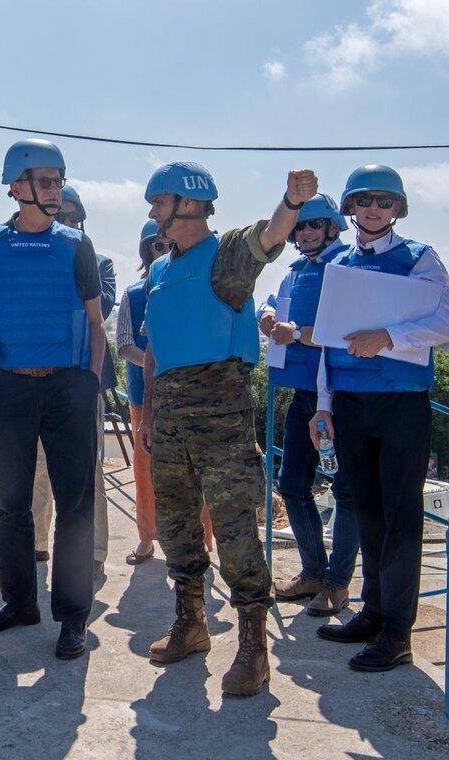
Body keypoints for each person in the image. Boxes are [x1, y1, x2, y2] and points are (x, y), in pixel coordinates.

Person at [140, 161, 318, 696]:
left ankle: (252, 649)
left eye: (159, 202)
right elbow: (154, 350)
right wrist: (149, 413)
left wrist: (291, 202)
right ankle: (190, 624)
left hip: (221, 417)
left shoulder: (226, 255)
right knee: (176, 526)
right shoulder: (159, 269)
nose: (152, 212)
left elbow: (271, 236)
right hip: (169, 417)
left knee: (236, 529)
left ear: (188, 204)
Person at [311, 164, 449, 672]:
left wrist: (389, 337)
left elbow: (446, 323)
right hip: (350, 403)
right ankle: (372, 614)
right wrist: (324, 404)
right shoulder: (339, 261)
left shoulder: (419, 257)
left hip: (400, 404)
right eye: (364, 200)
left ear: (398, 208)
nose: (374, 209)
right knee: (367, 513)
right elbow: (327, 340)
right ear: (350, 207)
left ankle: (397, 633)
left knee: (400, 520)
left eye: (385, 201)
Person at [0, 139, 107, 660]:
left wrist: (88, 384)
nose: (54, 189)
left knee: (75, 505)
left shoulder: (76, 245)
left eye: (58, 180)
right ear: (15, 187)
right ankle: (19, 603)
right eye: (44, 180)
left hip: (68, 388)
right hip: (8, 389)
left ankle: (73, 617)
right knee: (12, 505)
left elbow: (95, 323)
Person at [258, 194, 358, 615]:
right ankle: (314, 573)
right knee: (292, 485)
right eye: (300, 226)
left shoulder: (348, 266)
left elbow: (346, 331)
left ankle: (337, 583)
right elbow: (271, 301)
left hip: (338, 397)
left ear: (332, 227)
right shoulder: (296, 271)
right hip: (304, 394)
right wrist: (266, 315)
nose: (306, 232)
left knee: (346, 490)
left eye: (314, 224)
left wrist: (296, 333)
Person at [21, 183, 114, 575]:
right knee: (37, 466)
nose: (69, 222)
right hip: (36, 375)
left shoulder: (100, 263)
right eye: (62, 216)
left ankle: (93, 551)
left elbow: (101, 306)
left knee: (87, 469)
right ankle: (36, 544)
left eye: (75, 217)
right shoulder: (27, 259)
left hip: (82, 378)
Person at [117, 221, 214, 565]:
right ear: (147, 251)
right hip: (144, 396)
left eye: (168, 244)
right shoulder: (133, 293)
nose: (164, 251)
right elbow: (124, 343)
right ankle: (147, 537)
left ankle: (202, 539)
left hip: (188, 396)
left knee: (196, 471)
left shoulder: (193, 286)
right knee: (145, 471)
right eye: (157, 246)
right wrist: (157, 362)